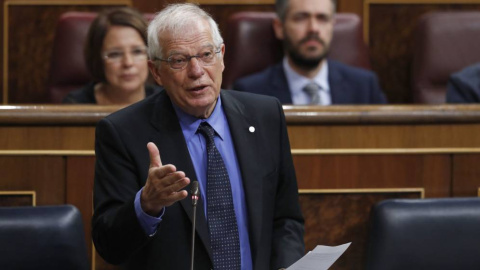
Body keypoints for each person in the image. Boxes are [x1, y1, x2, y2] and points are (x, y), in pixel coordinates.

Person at [92, 3, 305, 270]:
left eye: (206, 54)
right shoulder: (123, 133)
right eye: (179, 60)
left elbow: (286, 220)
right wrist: (146, 205)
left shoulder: (265, 115)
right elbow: (109, 245)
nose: (197, 71)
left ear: (222, 56)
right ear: (156, 71)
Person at [233, 0, 387, 105]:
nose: (313, 28)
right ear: (279, 27)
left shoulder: (365, 87)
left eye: (322, 18)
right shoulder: (250, 93)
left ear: (332, 26)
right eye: (301, 18)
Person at [62, 7, 161, 104]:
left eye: (137, 52)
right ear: (98, 59)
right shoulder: (75, 105)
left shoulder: (166, 101)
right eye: (115, 54)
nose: (128, 63)